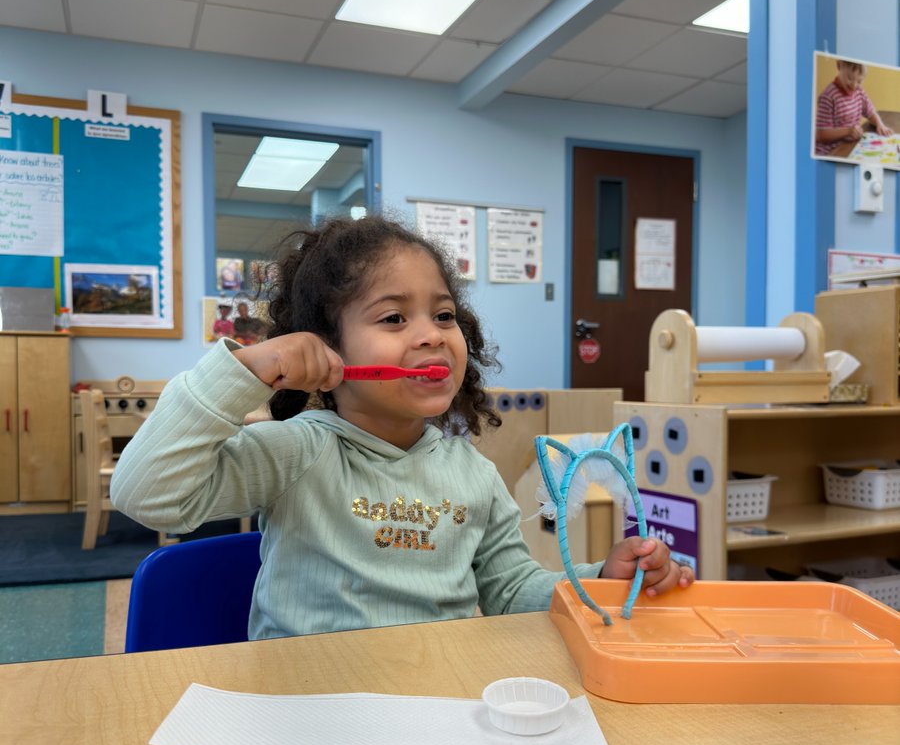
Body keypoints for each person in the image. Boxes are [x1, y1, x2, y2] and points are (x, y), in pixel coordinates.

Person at [111, 216, 693, 641]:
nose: (432, 334)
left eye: (444, 315)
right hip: (305, 706)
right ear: (327, 349)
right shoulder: (298, 451)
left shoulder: (473, 474)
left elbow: (512, 591)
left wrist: (601, 578)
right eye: (394, 318)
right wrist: (242, 372)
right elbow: (147, 495)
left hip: (435, 700)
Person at [815, 59, 891, 154]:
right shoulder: (828, 97)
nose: (854, 85)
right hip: (830, 152)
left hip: (850, 146)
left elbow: (870, 111)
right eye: (850, 78)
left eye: (859, 81)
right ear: (839, 66)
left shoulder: (859, 91)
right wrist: (847, 131)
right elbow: (821, 135)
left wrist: (880, 124)